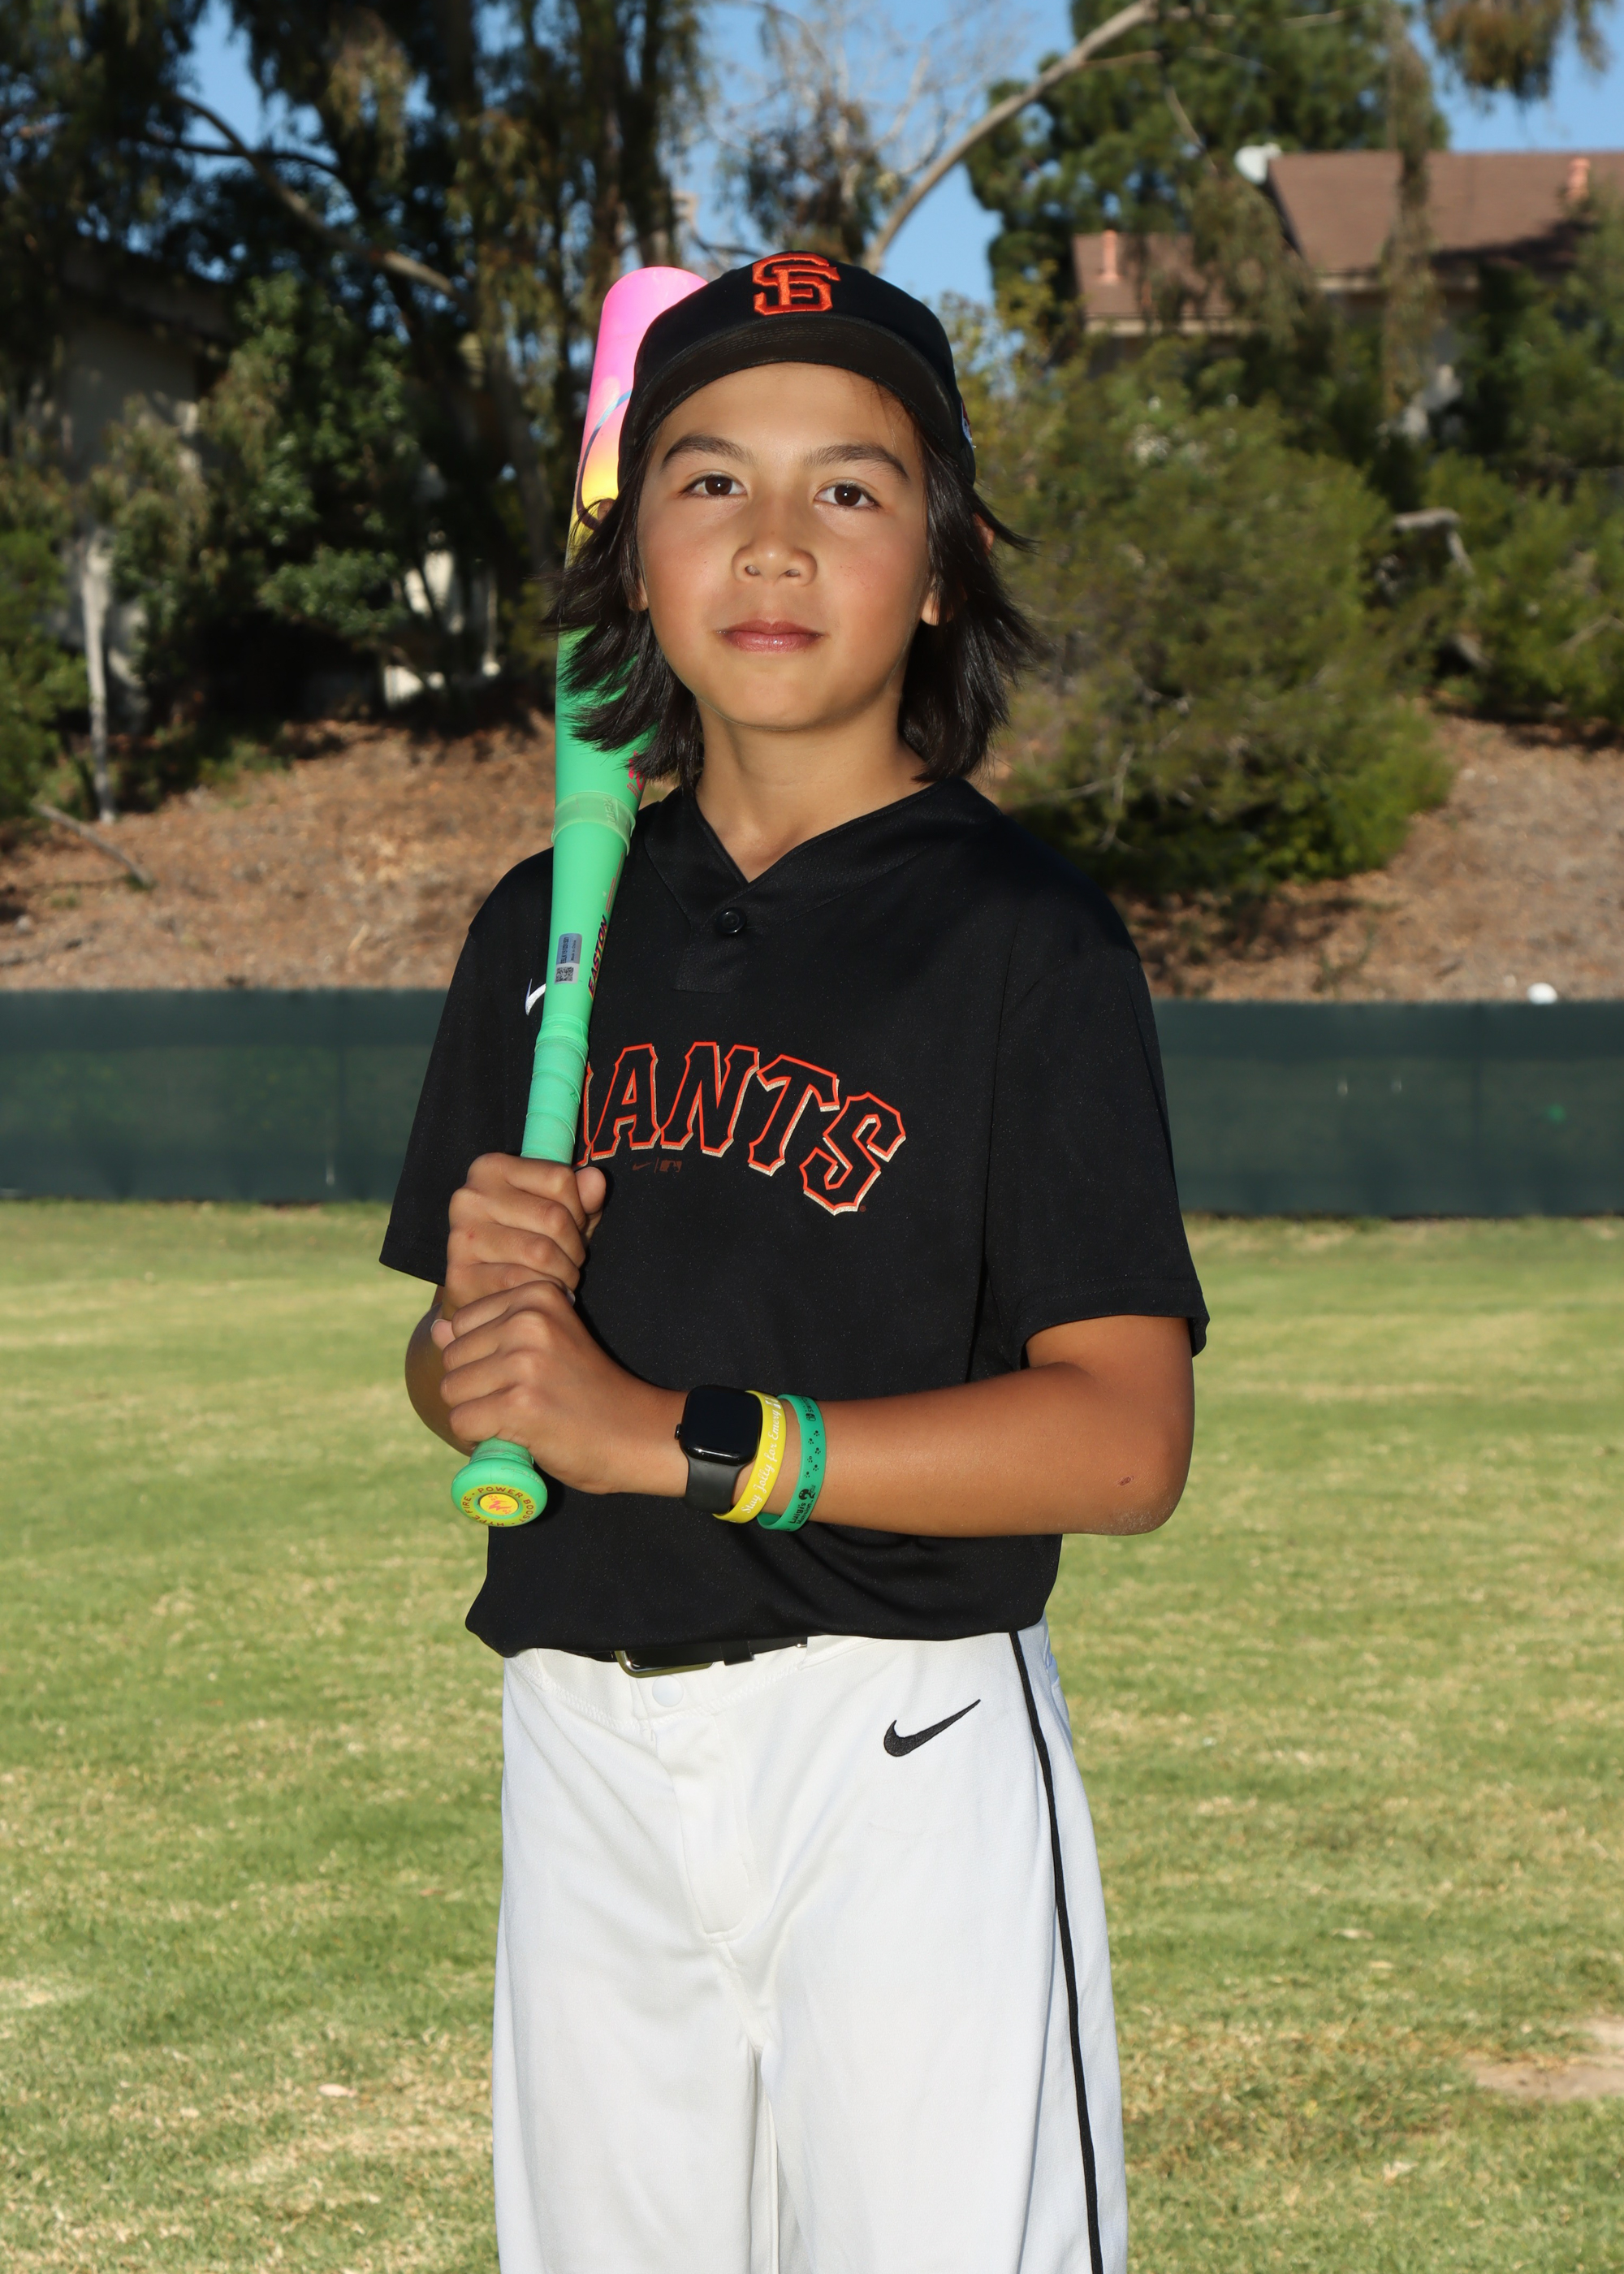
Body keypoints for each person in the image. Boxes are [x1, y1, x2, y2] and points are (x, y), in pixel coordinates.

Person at [382, 252, 1207, 2274]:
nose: (772, 542)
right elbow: (462, 1372)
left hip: (896, 1744)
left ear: (940, 566)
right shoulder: (541, 928)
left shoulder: (1023, 938)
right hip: (583, 1728)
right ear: (634, 564)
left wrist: (671, 1434)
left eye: (848, 486)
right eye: (707, 481)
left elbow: (1122, 1441)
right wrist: (479, 1340)